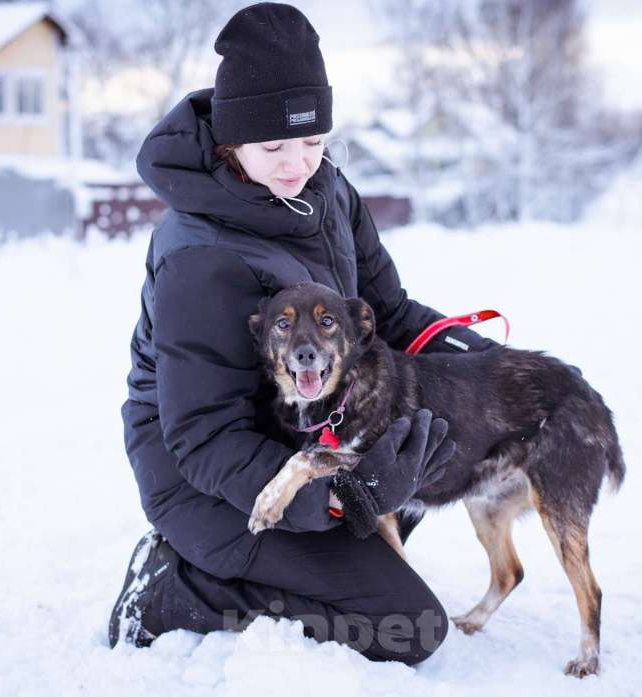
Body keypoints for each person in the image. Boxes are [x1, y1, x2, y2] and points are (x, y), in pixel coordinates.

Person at [109, 2, 496, 665]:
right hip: (204, 479)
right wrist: (338, 497)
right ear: (233, 140)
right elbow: (204, 438)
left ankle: (316, 540)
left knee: (422, 442)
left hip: (300, 436)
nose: (298, 164)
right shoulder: (198, 258)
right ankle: (177, 587)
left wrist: (485, 366)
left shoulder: (326, 190)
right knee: (407, 627)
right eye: (275, 147)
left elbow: (388, 312)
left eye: (314, 141)